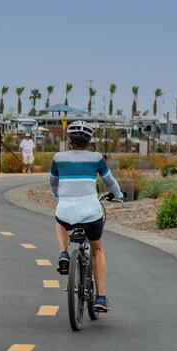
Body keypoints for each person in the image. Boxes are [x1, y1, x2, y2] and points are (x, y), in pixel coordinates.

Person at [50, 120, 124, 313]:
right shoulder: (97, 158)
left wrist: (59, 196)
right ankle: (100, 297)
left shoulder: (58, 158)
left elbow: (53, 184)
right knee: (98, 250)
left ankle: (63, 252)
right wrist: (119, 195)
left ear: (68, 139)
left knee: (60, 219)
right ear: (89, 141)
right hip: (91, 213)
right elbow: (110, 181)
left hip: (66, 211)